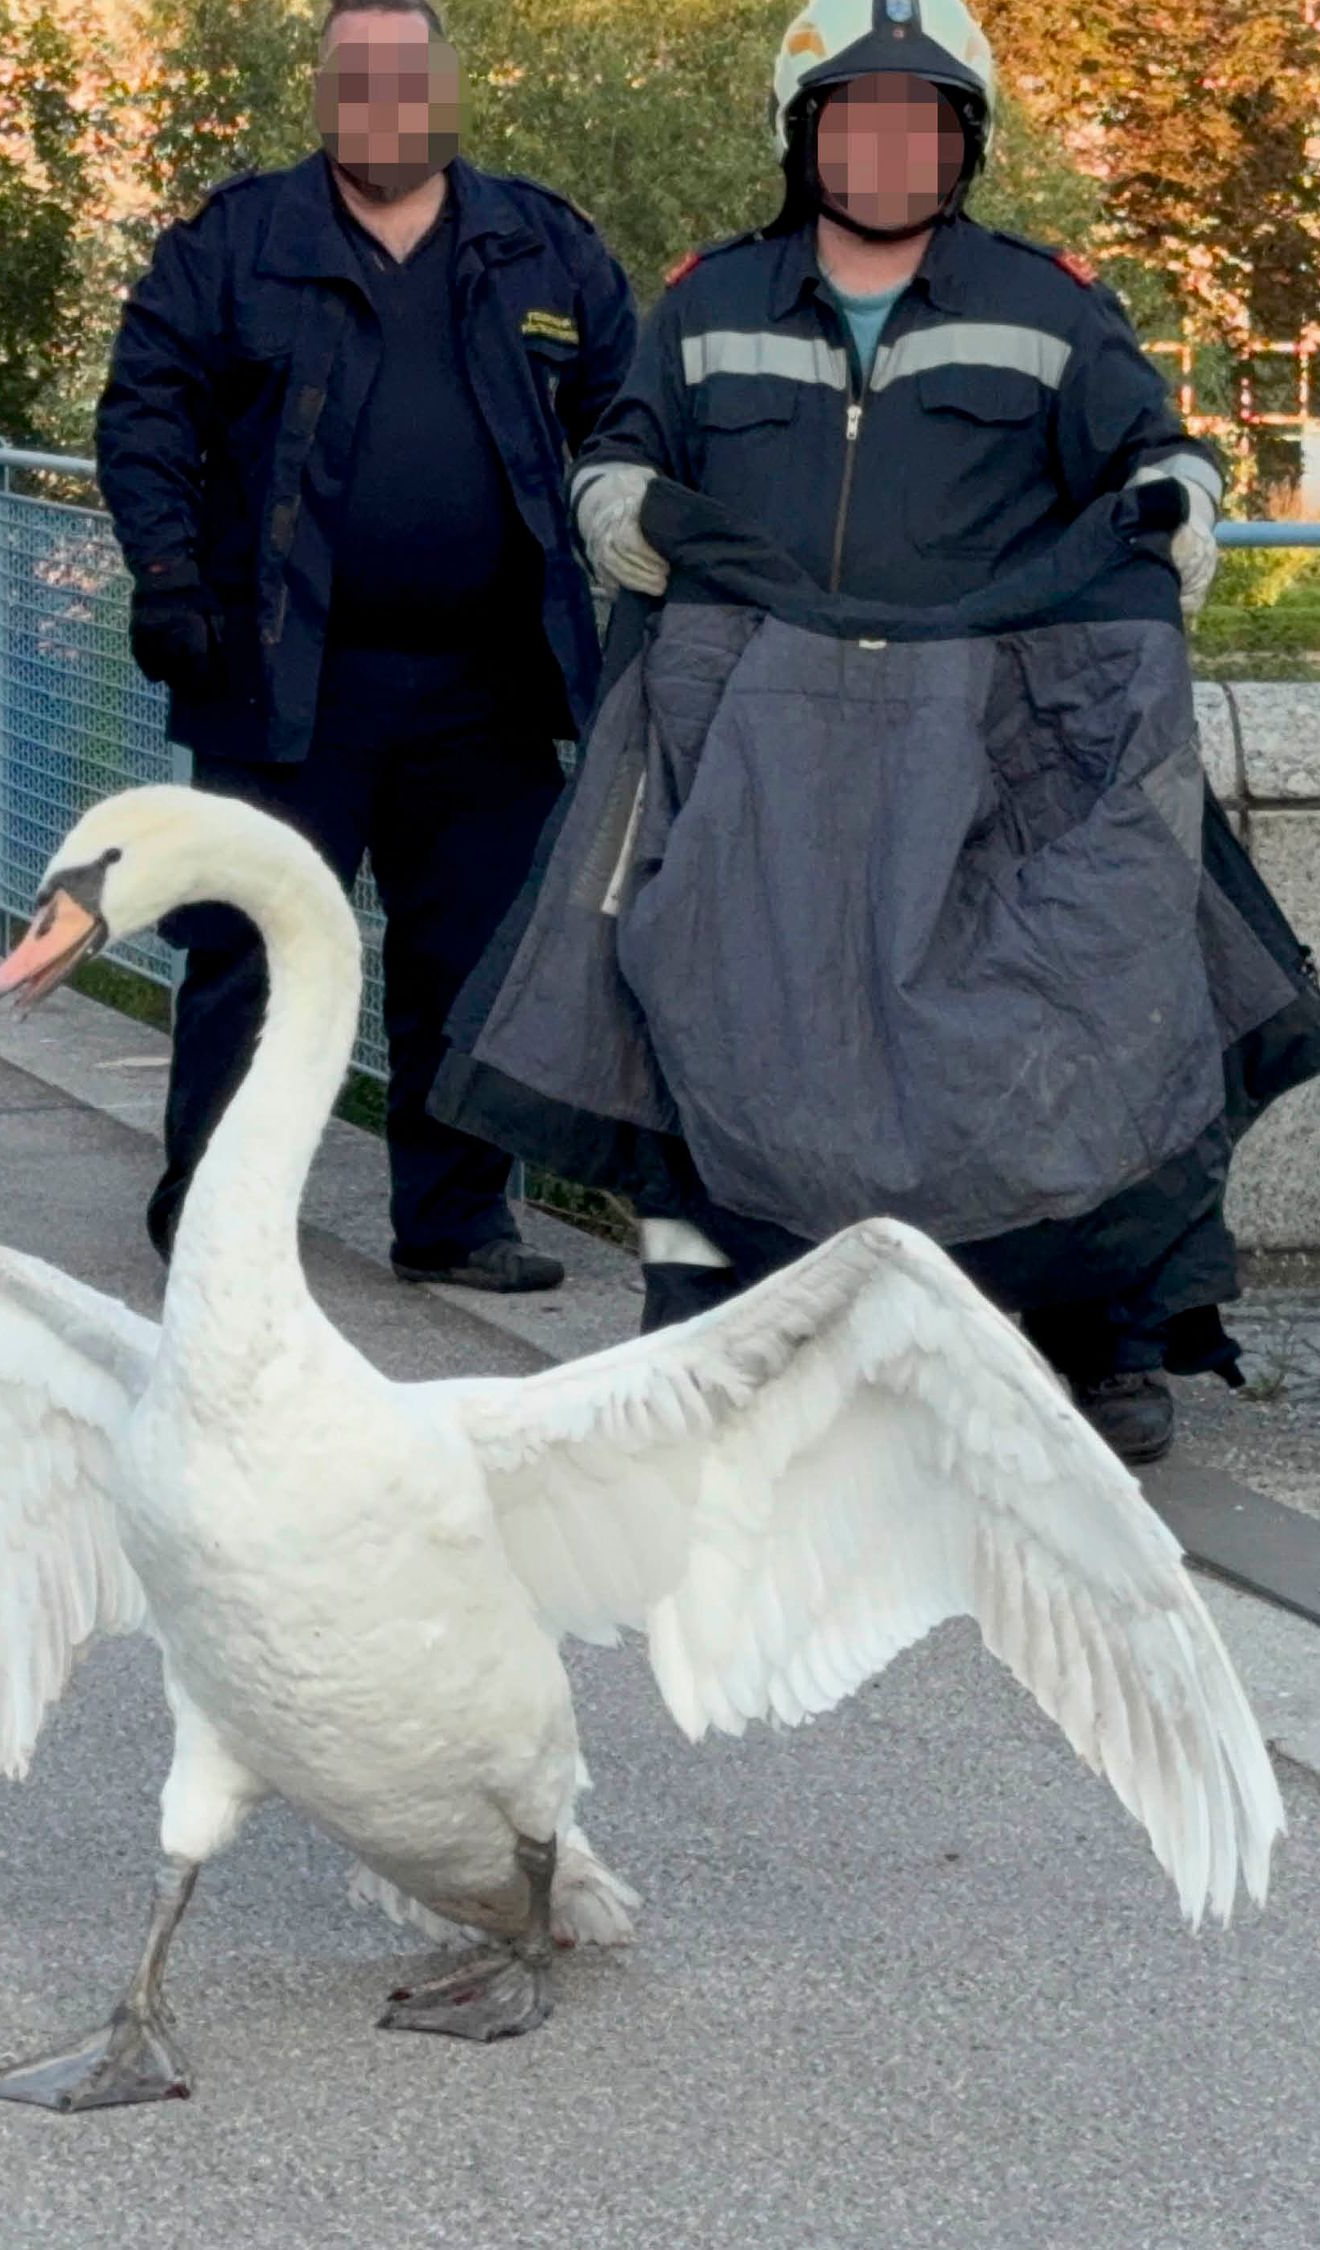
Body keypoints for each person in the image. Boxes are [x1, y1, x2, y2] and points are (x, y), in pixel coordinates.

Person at [561, 0, 1234, 1460]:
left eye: (921, 122)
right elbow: (623, 446)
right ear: (801, 136)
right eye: (856, 119)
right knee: (710, 1011)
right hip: (763, 755)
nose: (887, 149)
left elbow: (1156, 449)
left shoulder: (1049, 306)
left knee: (1061, 1026)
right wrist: (613, 499)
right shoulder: (709, 306)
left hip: (978, 762)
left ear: (965, 142)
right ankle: (699, 1313)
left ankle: (1101, 1337)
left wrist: (1176, 506)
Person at [94, 0, 631, 1296]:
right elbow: (146, 410)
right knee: (250, 952)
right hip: (283, 679)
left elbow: (631, 417)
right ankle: (215, 1224)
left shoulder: (542, 245)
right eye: (359, 75)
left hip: (490, 689)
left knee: (470, 962)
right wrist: (166, 573)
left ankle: (455, 1221)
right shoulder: (236, 241)